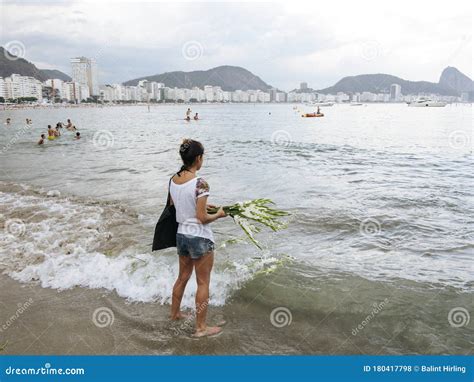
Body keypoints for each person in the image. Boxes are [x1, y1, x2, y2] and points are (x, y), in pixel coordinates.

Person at [169, 139, 227, 338]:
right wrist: (218, 214)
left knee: (182, 278)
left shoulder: (173, 179)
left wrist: (203, 207)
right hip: (199, 238)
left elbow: (175, 205)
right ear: (198, 158)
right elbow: (202, 219)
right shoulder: (201, 183)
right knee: (203, 283)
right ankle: (201, 328)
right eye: (203, 156)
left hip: (182, 235)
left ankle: (175, 314)